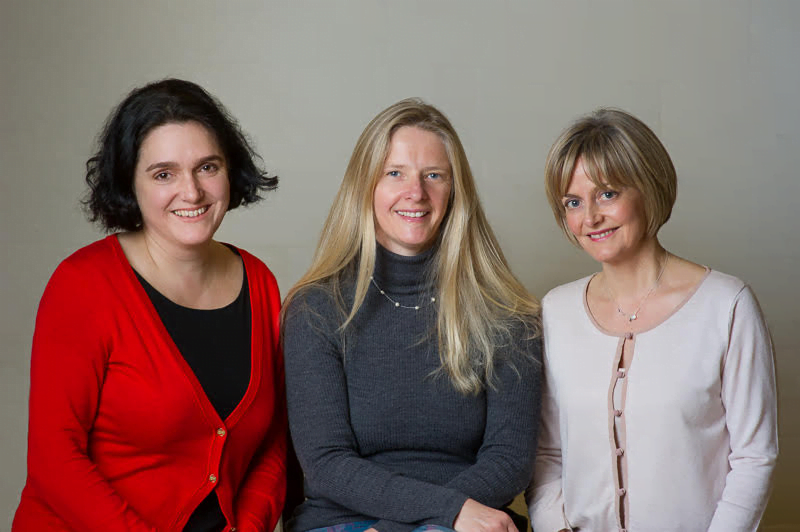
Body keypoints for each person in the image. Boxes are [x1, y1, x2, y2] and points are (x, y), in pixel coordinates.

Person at [13, 79, 287, 532]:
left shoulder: (260, 282)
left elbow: (274, 440)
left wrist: (250, 525)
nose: (192, 192)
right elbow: (54, 459)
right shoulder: (83, 285)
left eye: (207, 167)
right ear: (130, 184)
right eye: (164, 174)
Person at [281, 99, 542, 532]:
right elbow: (326, 463)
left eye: (434, 175)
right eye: (395, 173)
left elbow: (509, 459)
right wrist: (438, 513)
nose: (416, 192)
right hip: (346, 521)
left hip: (466, 519)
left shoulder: (507, 313)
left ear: (456, 190)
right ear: (365, 186)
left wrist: (437, 520)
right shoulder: (317, 308)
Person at [527, 108, 778, 531]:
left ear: (649, 187)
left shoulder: (727, 305)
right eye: (573, 202)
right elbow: (546, 454)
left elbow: (755, 457)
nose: (590, 218)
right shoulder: (554, 312)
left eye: (607, 194)